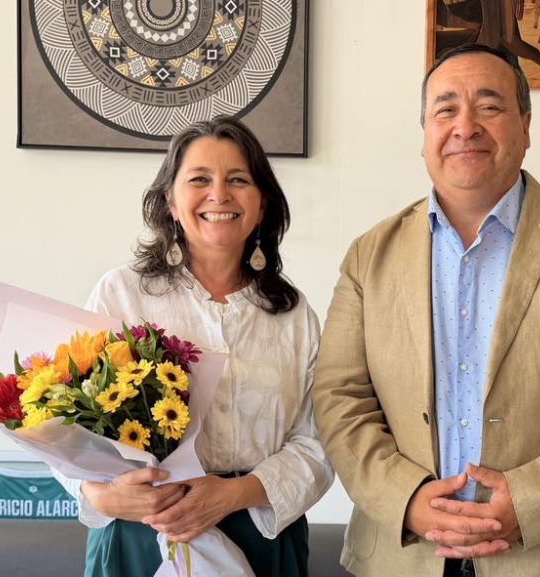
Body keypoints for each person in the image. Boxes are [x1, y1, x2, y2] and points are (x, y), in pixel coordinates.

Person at [312, 44, 540, 577]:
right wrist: (406, 498)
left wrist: (530, 502)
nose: (466, 126)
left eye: (490, 106)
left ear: (526, 126)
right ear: (425, 134)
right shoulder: (371, 254)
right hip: (401, 555)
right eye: (446, 109)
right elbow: (340, 397)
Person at [58, 116, 334, 577]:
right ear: (170, 201)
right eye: (200, 179)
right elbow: (65, 419)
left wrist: (234, 494)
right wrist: (100, 496)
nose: (219, 195)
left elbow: (319, 440)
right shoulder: (121, 294)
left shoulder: (293, 314)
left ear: (262, 204)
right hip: (142, 533)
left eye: (238, 180)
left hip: (261, 531)